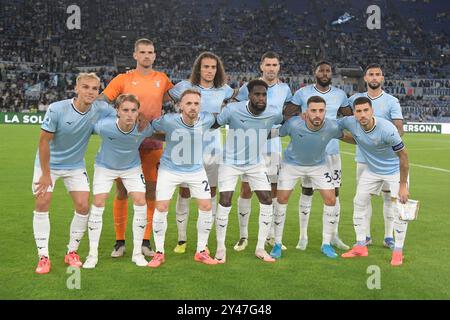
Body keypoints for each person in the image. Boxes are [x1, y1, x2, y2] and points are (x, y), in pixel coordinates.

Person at [32, 73, 115, 274]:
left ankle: (72, 252)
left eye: (95, 88)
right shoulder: (57, 109)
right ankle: (43, 256)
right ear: (76, 89)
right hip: (48, 164)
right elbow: (44, 142)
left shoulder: (101, 109)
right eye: (85, 87)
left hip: (75, 166)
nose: (90, 92)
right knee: (43, 202)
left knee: (83, 205)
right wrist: (45, 173)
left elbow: (121, 115)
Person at [100, 38, 174, 258]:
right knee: (122, 191)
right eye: (142, 52)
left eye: (150, 52)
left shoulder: (162, 79)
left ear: (155, 55)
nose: (147, 56)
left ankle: (145, 241)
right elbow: (102, 101)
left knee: (151, 191)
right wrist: (124, 114)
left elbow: (181, 98)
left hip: (152, 144)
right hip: (125, 145)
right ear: (135, 55)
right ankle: (120, 241)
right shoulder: (123, 79)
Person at [168, 52, 235, 254]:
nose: (209, 71)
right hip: (188, 146)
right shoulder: (183, 87)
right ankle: (181, 239)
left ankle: (205, 239)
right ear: (199, 68)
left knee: (211, 192)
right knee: (185, 191)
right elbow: (166, 97)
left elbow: (239, 100)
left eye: (213, 67)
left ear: (218, 70)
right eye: (205, 67)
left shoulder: (225, 90)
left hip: (214, 146)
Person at [273, 96, 355, 259]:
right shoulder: (294, 124)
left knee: (331, 199)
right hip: (291, 165)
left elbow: (347, 137)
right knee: (281, 200)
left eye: (321, 111)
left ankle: (326, 244)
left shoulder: (331, 126)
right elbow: (275, 133)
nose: (318, 114)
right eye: (313, 111)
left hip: (318, 165)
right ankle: (277, 244)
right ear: (306, 113)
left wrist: (370, 141)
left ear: (325, 112)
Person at [214, 79, 284, 263]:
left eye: (264, 95)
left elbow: (277, 127)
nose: (261, 98)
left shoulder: (273, 113)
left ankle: (260, 248)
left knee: (267, 199)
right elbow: (214, 124)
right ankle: (220, 248)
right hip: (230, 162)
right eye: (257, 94)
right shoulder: (233, 110)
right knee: (225, 200)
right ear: (249, 95)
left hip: (255, 163)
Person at [147, 89, 218, 268]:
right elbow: (150, 127)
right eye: (188, 103)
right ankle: (159, 253)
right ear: (179, 106)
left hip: (195, 170)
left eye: (196, 103)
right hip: (170, 169)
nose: (193, 107)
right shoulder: (168, 120)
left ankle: (201, 251)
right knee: (161, 207)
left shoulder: (207, 119)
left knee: (206, 205)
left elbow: (221, 119)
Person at [83, 94, 156, 269]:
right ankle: (92, 255)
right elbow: (85, 126)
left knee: (140, 200)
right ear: (117, 112)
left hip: (131, 168)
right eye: (125, 110)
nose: (130, 114)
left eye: (133, 110)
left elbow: (160, 133)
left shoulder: (143, 128)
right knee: (98, 202)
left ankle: (137, 253)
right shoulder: (104, 126)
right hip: (105, 167)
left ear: (138, 112)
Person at [286, 60, 352, 251]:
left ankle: (333, 236)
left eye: (328, 70)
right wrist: (300, 120)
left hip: (331, 152)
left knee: (334, 193)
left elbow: (348, 118)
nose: (324, 73)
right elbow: (288, 114)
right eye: (321, 70)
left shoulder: (340, 95)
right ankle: (303, 236)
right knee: (307, 191)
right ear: (315, 72)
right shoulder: (302, 92)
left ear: (331, 74)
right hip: (308, 151)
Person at [233, 52, 292, 252]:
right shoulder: (248, 87)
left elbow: (289, 112)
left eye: (275, 64)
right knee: (247, 189)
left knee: (272, 191)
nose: (271, 68)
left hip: (274, 146)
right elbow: (236, 108)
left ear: (279, 67)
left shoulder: (285, 89)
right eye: (268, 64)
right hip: (251, 147)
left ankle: (271, 235)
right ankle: (243, 236)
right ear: (261, 66)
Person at [339, 97, 409, 266]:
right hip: (372, 170)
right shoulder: (350, 122)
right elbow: (340, 130)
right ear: (354, 113)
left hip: (394, 171)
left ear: (372, 111)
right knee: (359, 202)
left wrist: (402, 186)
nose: (362, 115)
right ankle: (360, 246)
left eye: (366, 110)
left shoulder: (387, 129)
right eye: (358, 111)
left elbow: (404, 157)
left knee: (401, 208)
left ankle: (398, 251)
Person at [349, 63, 404, 249]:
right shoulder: (355, 100)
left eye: (377, 74)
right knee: (363, 198)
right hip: (363, 158)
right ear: (365, 78)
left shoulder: (391, 101)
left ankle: (389, 237)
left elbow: (399, 129)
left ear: (382, 78)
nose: (374, 77)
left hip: (387, 159)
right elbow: (350, 124)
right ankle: (365, 236)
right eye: (370, 74)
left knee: (389, 198)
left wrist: (379, 142)